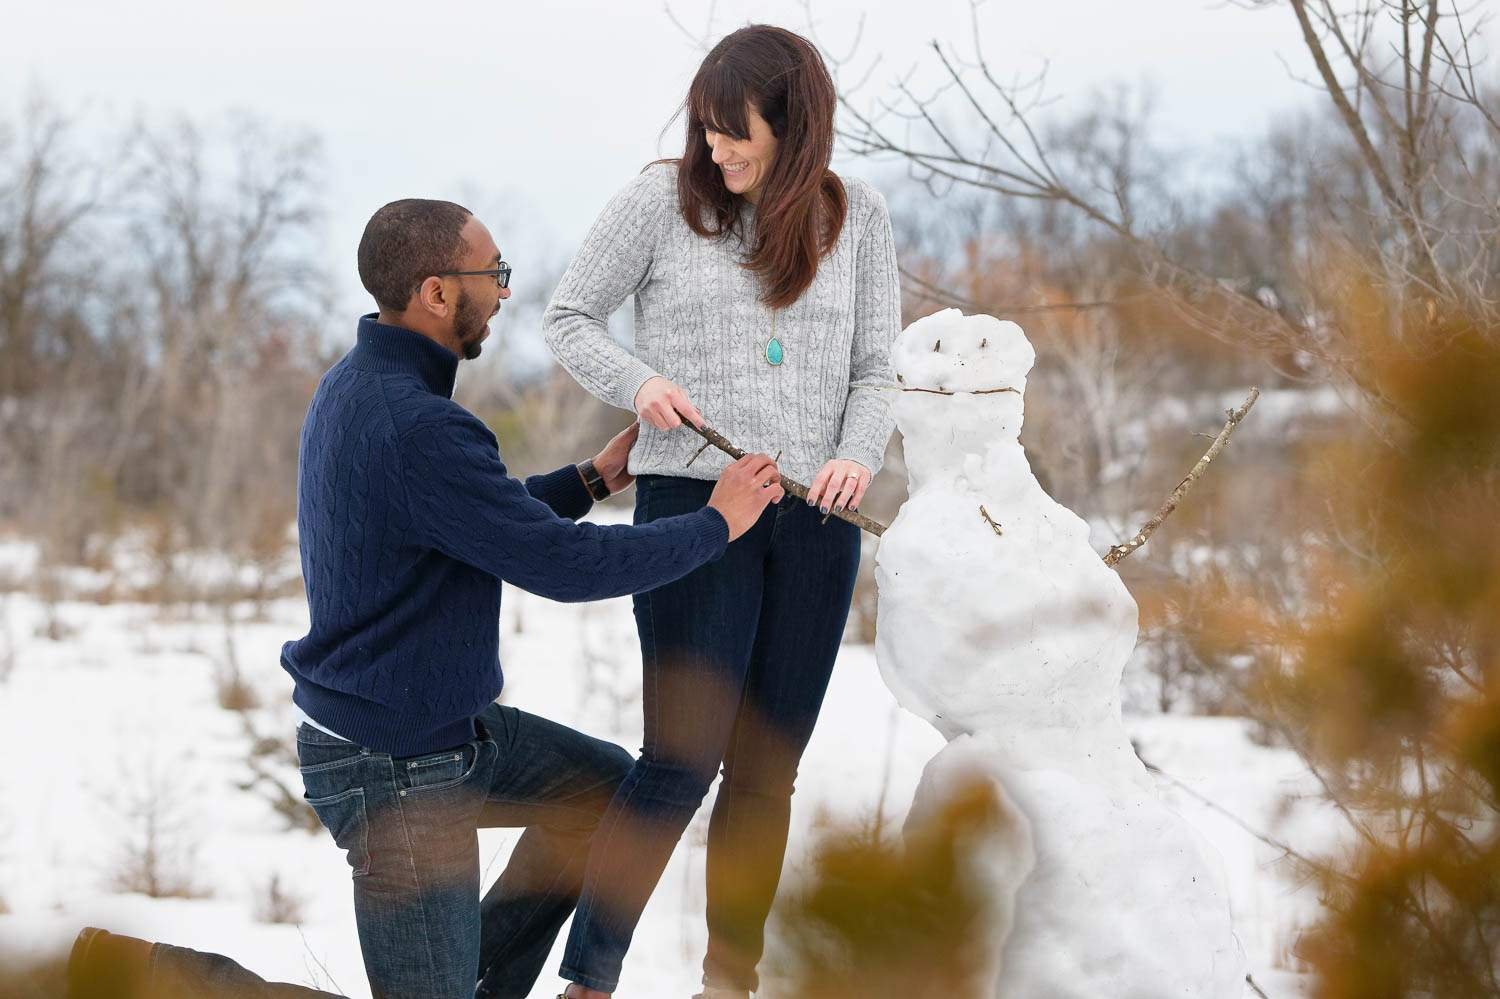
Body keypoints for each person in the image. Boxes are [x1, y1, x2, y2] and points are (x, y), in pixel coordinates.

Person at [66, 198, 786, 999]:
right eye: (495, 273)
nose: (506, 292)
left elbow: (478, 517)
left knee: (594, 793)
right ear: (438, 292)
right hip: (393, 768)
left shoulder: (361, 386)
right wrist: (718, 523)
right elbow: (560, 564)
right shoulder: (417, 425)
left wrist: (589, 479)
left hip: (436, 733)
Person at [538, 24, 901, 999]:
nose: (719, 151)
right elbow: (568, 316)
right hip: (693, 511)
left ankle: (728, 982)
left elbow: (877, 369)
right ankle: (589, 980)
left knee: (766, 770)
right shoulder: (663, 201)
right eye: (706, 130)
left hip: (815, 522)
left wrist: (855, 458)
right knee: (680, 758)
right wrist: (641, 379)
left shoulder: (855, 215)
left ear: (794, 126)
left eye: (736, 133)